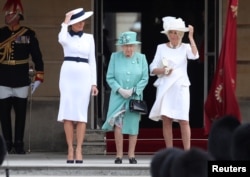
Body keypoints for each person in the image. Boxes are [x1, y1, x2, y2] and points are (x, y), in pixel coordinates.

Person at [0, 0, 44, 154]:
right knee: (3, 115)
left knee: (21, 114)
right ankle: (6, 144)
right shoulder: (1, 33)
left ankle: (18, 143)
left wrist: (39, 76)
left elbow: (37, 56)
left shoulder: (28, 34)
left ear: (17, 15)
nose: (6, 16)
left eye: (9, 13)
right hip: (3, 78)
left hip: (20, 78)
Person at [149, 16, 199, 150]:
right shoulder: (161, 48)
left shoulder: (186, 47)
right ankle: (169, 151)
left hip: (181, 88)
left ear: (181, 34)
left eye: (176, 32)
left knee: (184, 120)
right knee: (166, 120)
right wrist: (163, 70)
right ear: (167, 34)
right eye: (171, 32)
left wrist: (191, 37)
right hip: (165, 87)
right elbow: (152, 68)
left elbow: (195, 56)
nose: (173, 35)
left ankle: (187, 151)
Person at [57, 8, 98, 164]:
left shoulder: (89, 38)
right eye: (78, 21)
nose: (81, 24)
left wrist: (94, 83)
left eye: (82, 21)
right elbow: (61, 39)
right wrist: (65, 22)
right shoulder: (65, 36)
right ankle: (70, 149)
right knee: (67, 112)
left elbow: (92, 61)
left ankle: (79, 149)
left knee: (81, 114)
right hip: (67, 74)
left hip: (84, 75)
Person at [102, 31, 149, 164]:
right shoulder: (114, 57)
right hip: (118, 96)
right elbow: (109, 77)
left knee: (133, 125)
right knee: (118, 124)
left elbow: (145, 78)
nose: (128, 49)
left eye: (131, 46)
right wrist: (120, 89)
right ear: (121, 46)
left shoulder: (142, 58)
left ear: (135, 46)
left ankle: (131, 155)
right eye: (126, 46)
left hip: (134, 97)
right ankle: (119, 155)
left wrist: (134, 90)